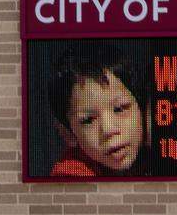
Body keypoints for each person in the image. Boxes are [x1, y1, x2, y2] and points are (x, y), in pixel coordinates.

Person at [46, 44, 148, 177]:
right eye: (88, 120)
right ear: (68, 134)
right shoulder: (70, 175)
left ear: (143, 110)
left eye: (119, 109)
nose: (108, 129)